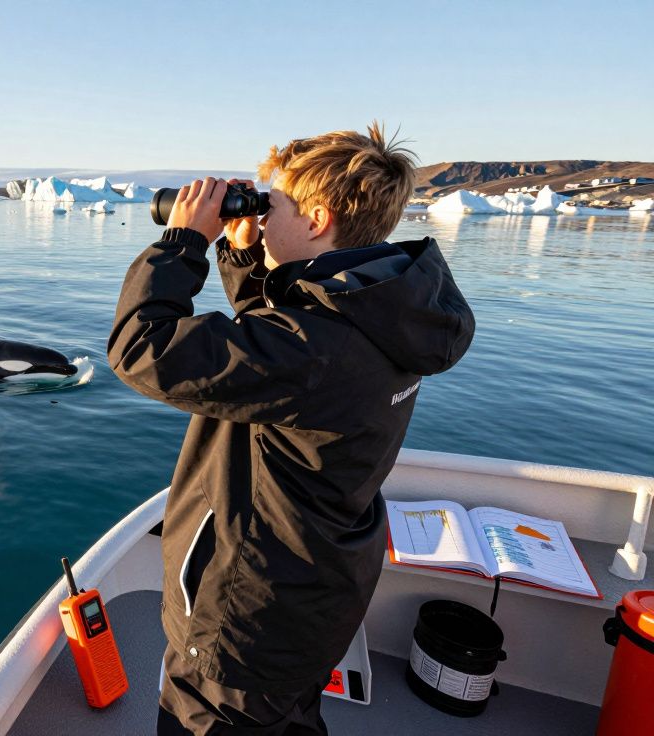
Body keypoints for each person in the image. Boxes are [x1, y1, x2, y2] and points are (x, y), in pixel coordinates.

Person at [108, 123, 475, 735]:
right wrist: (245, 254)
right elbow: (274, 352)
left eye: (269, 202)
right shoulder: (380, 312)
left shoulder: (314, 348)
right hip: (311, 596)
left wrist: (182, 244)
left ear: (315, 219)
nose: (259, 207)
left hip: (244, 618)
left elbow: (143, 350)